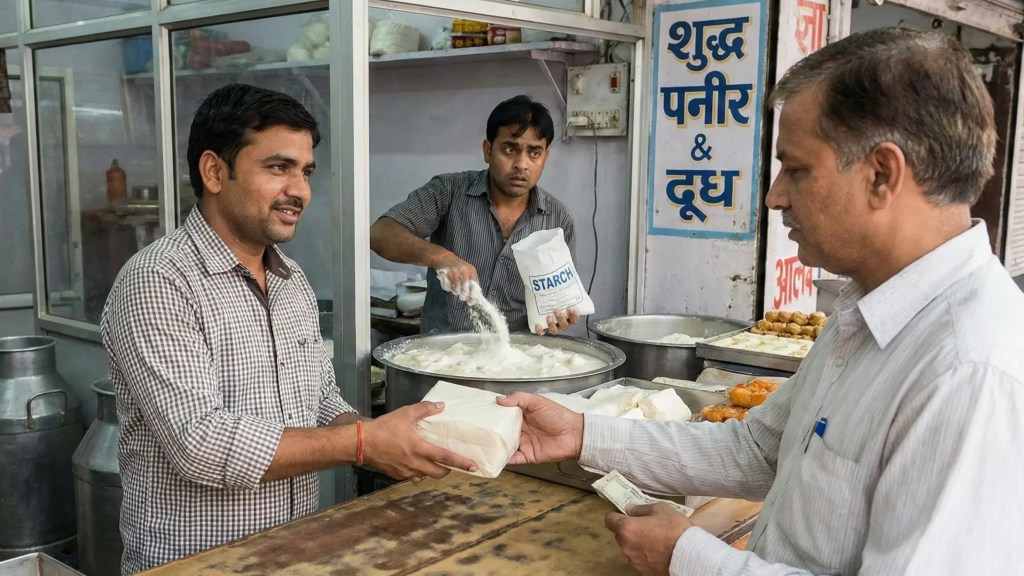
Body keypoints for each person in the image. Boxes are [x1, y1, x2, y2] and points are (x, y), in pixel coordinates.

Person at [497, 27, 1024, 575]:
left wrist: (690, 558)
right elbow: (757, 450)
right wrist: (582, 432)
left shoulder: (968, 370)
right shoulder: (863, 316)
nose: (775, 197)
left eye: (796, 169)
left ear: (881, 174)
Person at [101, 83, 476, 573]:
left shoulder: (290, 280)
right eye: (279, 168)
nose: (299, 191)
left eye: (306, 171)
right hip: (199, 564)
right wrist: (364, 444)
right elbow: (200, 443)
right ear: (214, 171)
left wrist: (390, 436)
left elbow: (320, 402)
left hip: (292, 553)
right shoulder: (158, 280)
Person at [370, 95, 581, 335]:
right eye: (510, 149)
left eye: (534, 153)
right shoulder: (448, 192)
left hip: (519, 354)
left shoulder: (558, 220)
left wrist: (558, 316)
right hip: (444, 350)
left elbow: (559, 298)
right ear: (488, 151)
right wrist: (440, 257)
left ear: (545, 157)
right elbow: (379, 233)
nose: (521, 164)